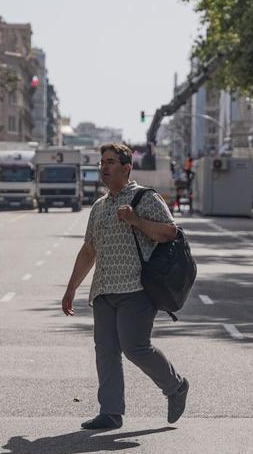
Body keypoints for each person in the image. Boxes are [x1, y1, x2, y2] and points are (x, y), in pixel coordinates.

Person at [61, 142, 190, 430]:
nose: (104, 167)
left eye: (110, 162)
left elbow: (170, 233)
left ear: (126, 167)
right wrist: (71, 289)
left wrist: (134, 219)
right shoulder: (99, 206)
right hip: (104, 289)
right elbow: (88, 250)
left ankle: (175, 386)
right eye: (102, 163)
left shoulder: (145, 198)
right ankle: (110, 412)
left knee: (135, 348)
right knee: (105, 350)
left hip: (136, 289)